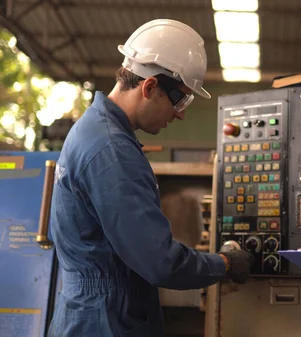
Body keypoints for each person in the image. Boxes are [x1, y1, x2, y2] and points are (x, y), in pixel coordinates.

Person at [48, 19, 254, 337]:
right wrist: (224, 263)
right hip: (107, 320)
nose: (181, 113)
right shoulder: (110, 149)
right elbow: (160, 261)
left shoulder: (97, 131)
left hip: (96, 309)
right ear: (149, 87)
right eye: (180, 100)